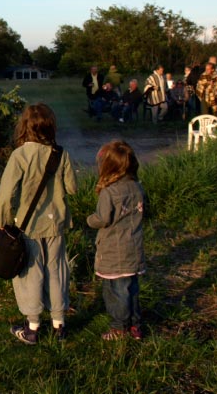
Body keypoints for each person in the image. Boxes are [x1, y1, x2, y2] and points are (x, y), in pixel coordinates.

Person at [0, 103, 77, 344]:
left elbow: (5, 193)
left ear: (24, 127)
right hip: (56, 224)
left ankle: (32, 328)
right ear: (50, 126)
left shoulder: (20, 155)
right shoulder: (60, 153)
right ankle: (59, 324)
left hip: (28, 226)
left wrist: (3, 222)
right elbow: (72, 189)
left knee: (30, 274)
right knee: (57, 271)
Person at [87, 140, 146, 341]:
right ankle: (136, 325)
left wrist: (89, 220)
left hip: (114, 252)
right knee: (132, 290)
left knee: (115, 292)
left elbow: (103, 218)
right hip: (134, 249)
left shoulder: (109, 192)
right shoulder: (137, 187)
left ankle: (119, 327)